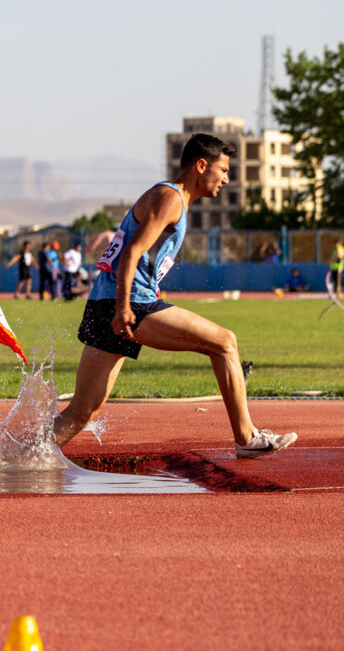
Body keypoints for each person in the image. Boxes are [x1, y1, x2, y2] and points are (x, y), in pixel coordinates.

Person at [53, 134, 296, 459]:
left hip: (104, 302)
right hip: (128, 304)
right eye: (223, 170)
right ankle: (247, 437)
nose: (226, 178)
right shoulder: (170, 198)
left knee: (83, 410)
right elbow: (132, 253)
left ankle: (15, 457)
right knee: (225, 343)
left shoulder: (169, 198)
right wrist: (124, 307)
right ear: (201, 165)